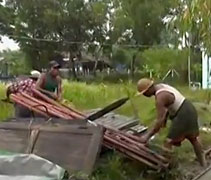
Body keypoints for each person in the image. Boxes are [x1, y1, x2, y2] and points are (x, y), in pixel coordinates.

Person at [137, 78, 206, 166]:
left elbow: (159, 120)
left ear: (149, 89)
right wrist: (165, 120)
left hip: (183, 114)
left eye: (144, 93)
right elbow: (168, 107)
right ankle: (203, 163)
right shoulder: (162, 87)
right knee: (193, 138)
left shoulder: (160, 98)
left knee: (168, 141)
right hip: (189, 108)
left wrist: (147, 136)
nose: (144, 95)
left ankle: (169, 166)